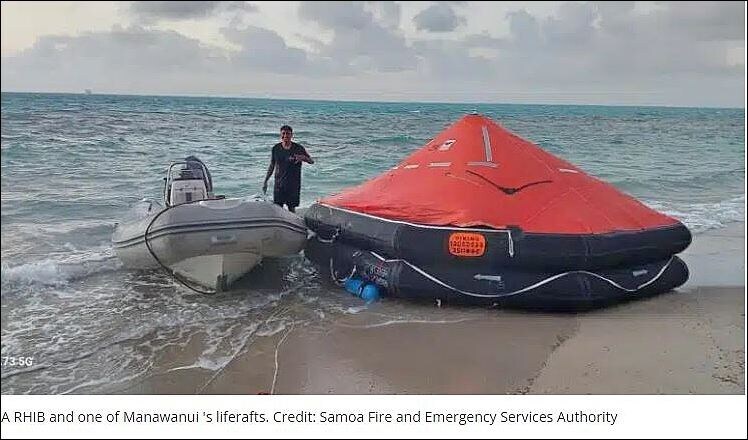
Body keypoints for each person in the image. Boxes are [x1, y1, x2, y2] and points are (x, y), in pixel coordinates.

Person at [262, 125, 314, 212]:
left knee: (291, 208)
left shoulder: (298, 148)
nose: (285, 136)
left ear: (291, 135)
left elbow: (311, 161)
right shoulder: (276, 148)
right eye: (283, 133)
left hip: (293, 184)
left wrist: (303, 158)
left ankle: (293, 224)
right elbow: (272, 165)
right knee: (278, 208)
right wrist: (266, 180)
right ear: (280, 135)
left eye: (288, 134)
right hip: (279, 184)